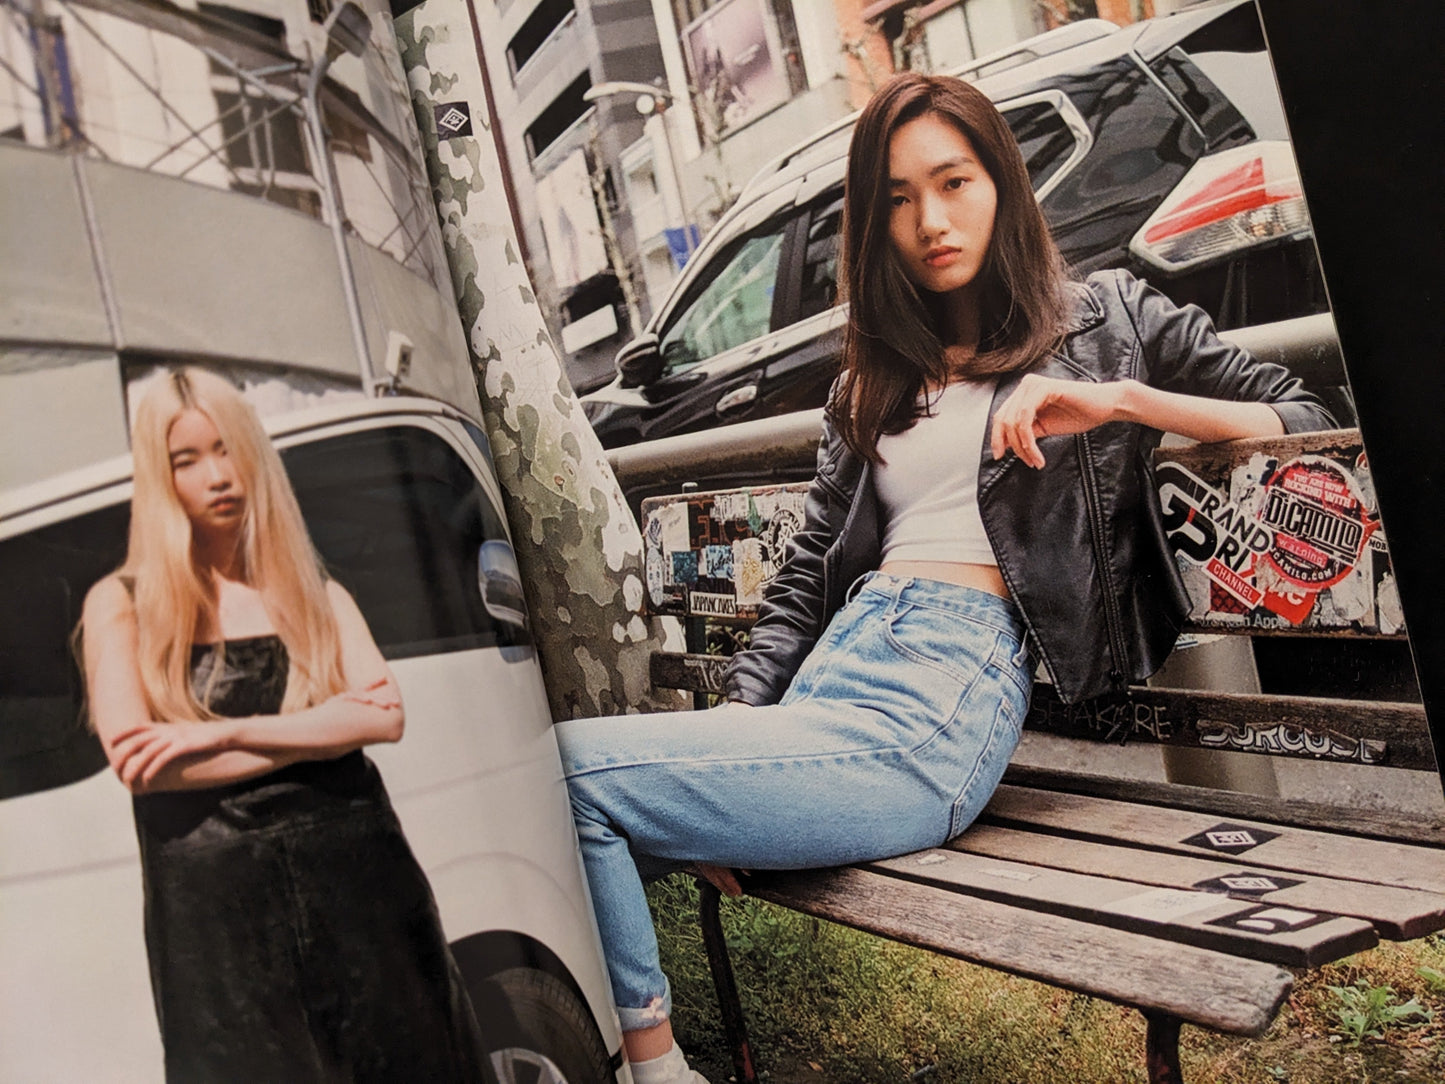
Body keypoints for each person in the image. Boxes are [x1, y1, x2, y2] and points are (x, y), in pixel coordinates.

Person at [557, 72, 1333, 1084]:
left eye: (953, 181)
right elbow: (806, 579)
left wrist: (1122, 401)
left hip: (939, 701)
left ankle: (652, 1068)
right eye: (896, 198)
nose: (929, 220)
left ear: (1000, 183)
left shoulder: (1106, 317)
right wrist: (736, 739)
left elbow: (1305, 417)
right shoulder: (869, 380)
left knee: (568, 773)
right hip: (838, 679)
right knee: (545, 812)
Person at [80, 367, 488, 1082]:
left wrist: (222, 732)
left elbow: (385, 714)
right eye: (187, 459)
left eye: (228, 449)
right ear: (158, 476)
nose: (218, 475)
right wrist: (325, 729)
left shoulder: (310, 590)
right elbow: (145, 765)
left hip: (363, 887)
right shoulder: (122, 603)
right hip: (218, 919)